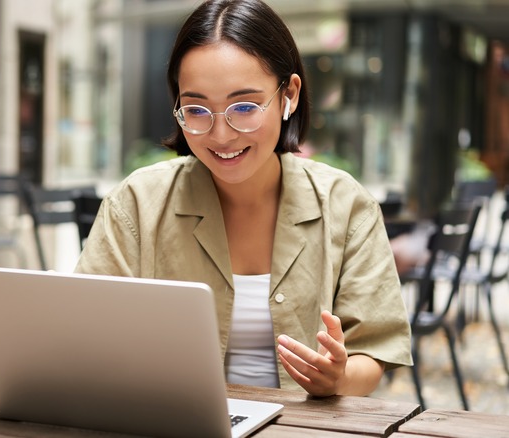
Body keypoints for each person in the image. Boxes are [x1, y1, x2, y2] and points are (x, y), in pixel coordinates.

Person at [75, 0, 412, 397]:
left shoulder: (347, 205)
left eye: (245, 106)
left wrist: (338, 378)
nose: (221, 135)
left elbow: (371, 351)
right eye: (197, 109)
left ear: (289, 95)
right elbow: (84, 336)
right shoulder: (136, 204)